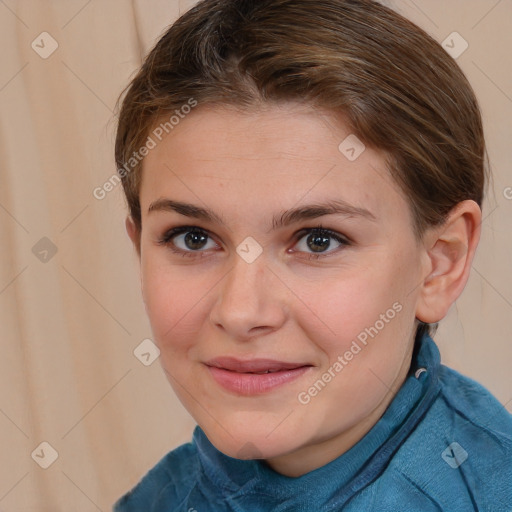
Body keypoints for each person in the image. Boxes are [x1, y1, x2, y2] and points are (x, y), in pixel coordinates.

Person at [112, 0, 512, 510]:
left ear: (439, 264)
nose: (240, 312)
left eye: (318, 240)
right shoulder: (160, 497)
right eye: (193, 238)